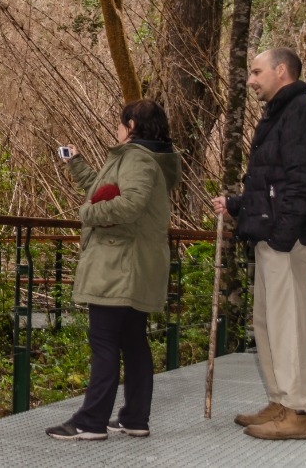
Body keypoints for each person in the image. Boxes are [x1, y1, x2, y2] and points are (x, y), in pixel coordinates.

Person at [210, 47, 306, 441]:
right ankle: (281, 401)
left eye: (256, 71)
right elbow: (274, 184)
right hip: (276, 236)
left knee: (290, 325)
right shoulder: (283, 113)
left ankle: (298, 411)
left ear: (281, 71)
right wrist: (237, 205)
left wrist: (282, 237)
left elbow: (305, 183)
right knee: (268, 323)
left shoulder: (304, 112)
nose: (251, 80)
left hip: (290, 240)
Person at [45, 99, 180, 441]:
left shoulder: (136, 158)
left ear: (132, 125)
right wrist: (76, 163)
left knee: (104, 342)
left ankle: (91, 422)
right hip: (134, 264)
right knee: (133, 342)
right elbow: (107, 190)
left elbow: (129, 204)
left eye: (121, 123)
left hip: (119, 265)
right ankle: (134, 418)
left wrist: (88, 214)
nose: (117, 129)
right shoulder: (147, 160)